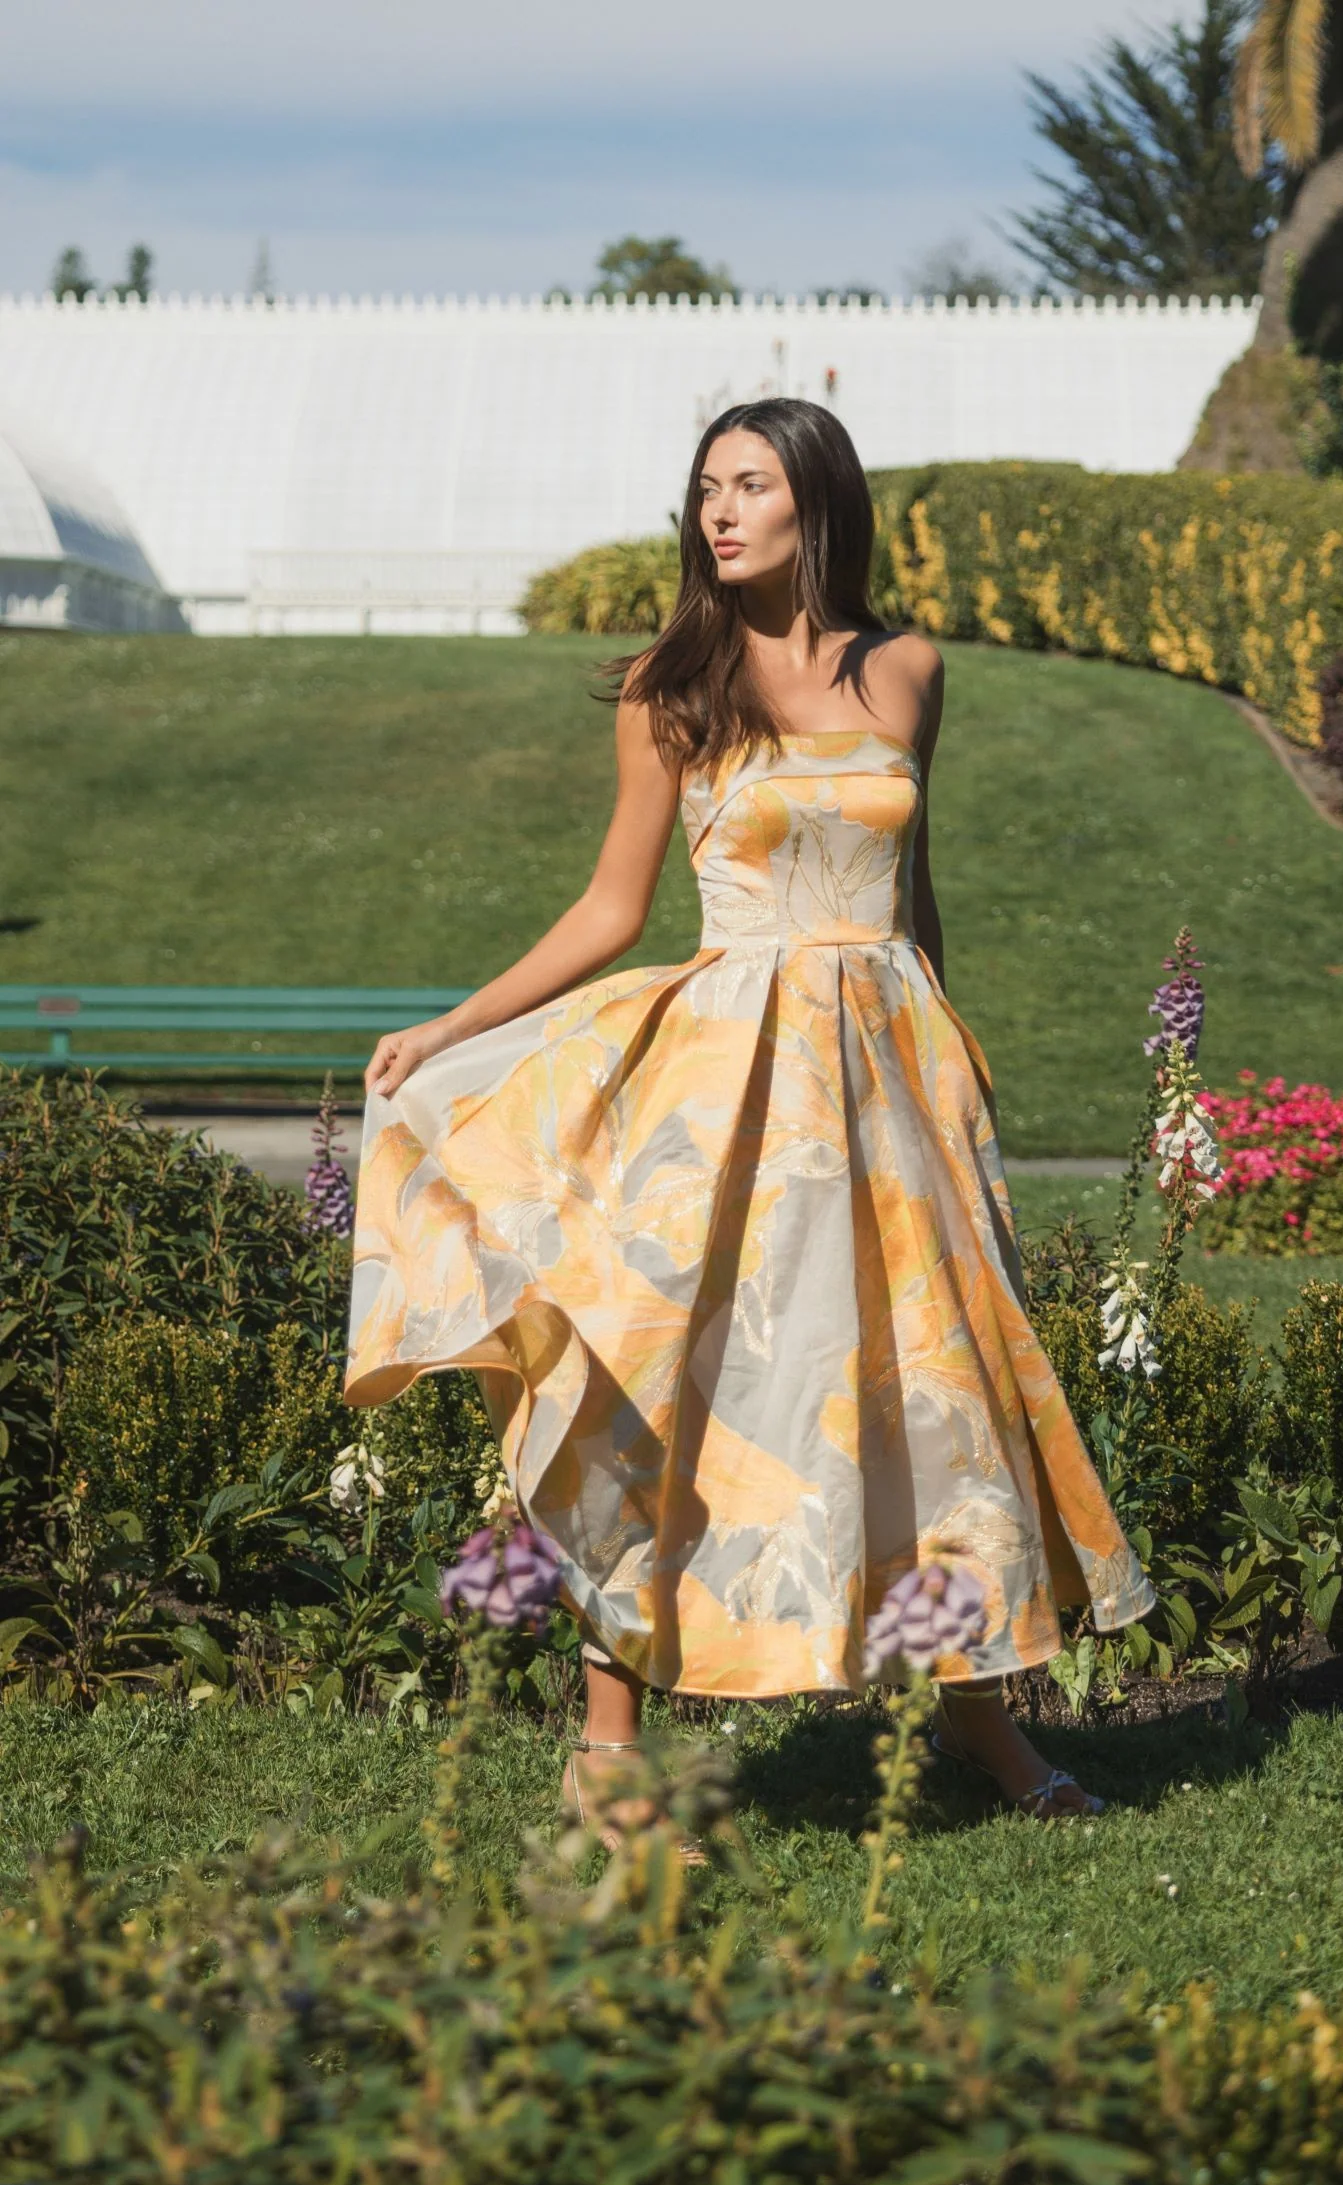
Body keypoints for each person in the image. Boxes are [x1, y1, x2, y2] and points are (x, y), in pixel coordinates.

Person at [345, 398, 1153, 1829]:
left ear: (816, 505)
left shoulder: (909, 667)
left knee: (930, 1394)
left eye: (752, 486)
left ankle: (980, 1724)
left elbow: (917, 883)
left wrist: (953, 1048)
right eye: (707, 488)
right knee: (682, 1379)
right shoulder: (675, 682)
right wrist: (453, 1024)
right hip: (734, 1081)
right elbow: (612, 905)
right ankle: (607, 1739)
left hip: (894, 1080)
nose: (721, 512)